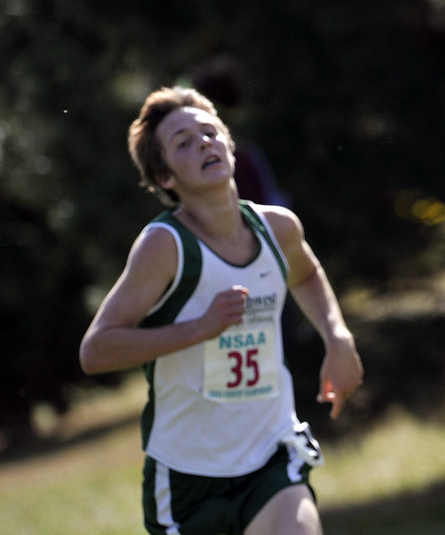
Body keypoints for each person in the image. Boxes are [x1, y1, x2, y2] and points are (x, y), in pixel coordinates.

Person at [80, 86, 363, 535]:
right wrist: (200, 328)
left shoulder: (278, 228)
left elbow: (306, 273)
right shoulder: (164, 246)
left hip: (271, 454)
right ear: (165, 177)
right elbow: (96, 351)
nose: (203, 144)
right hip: (189, 479)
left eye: (209, 133)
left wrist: (337, 336)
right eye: (183, 143)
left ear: (229, 145)